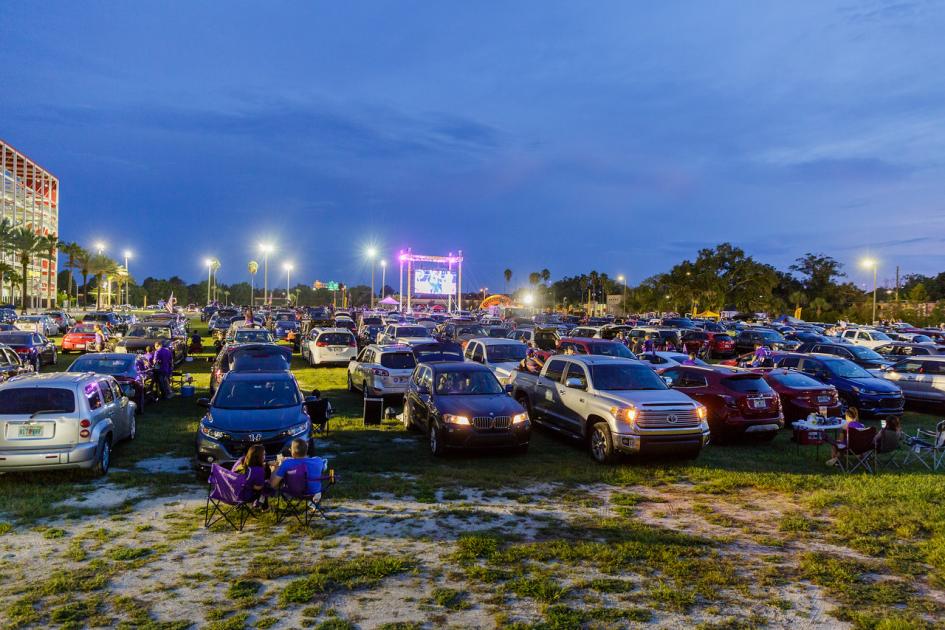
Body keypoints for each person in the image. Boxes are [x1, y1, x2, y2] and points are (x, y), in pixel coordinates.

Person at [269, 438, 327, 510]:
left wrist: (275, 469)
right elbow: (324, 467)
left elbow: (273, 484)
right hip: (313, 492)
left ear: (292, 452)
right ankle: (314, 501)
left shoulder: (286, 463)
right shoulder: (317, 460)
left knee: (280, 481)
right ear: (306, 450)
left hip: (294, 492)